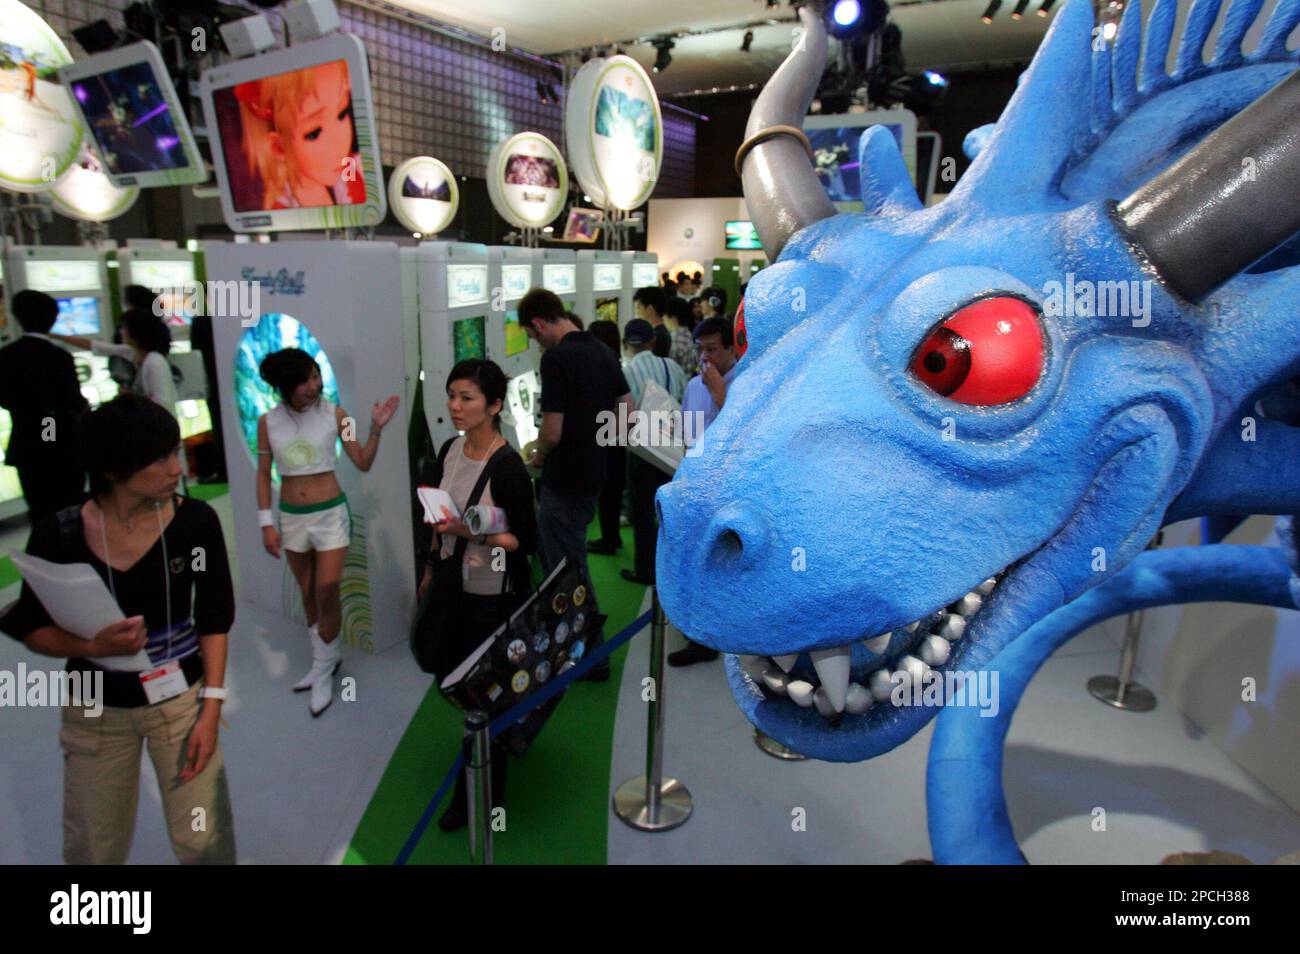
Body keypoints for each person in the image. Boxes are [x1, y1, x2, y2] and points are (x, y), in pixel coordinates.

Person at [0, 394, 236, 863]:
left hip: (181, 702)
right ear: (111, 470)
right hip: (94, 710)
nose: (176, 466)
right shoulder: (59, 534)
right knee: (93, 845)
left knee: (204, 840)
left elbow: (214, 616)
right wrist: (89, 643)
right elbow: (29, 627)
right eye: (160, 457)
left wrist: (210, 708)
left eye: (175, 450)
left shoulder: (195, 523)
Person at [418, 359, 537, 831]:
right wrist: (431, 562)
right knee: (453, 677)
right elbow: (438, 513)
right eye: (452, 395)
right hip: (452, 585)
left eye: (466, 398)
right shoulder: (450, 449)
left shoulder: (507, 467)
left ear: (493, 406)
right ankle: (489, 753)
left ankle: (480, 796)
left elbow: (522, 542)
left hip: (493, 595)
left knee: (484, 695)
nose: (455, 406)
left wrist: (470, 535)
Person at [257, 348, 399, 715]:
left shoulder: (337, 414)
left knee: (326, 586)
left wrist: (375, 429)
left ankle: (322, 669)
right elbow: (262, 473)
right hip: (290, 516)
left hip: (330, 513)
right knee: (307, 590)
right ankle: (327, 657)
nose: (314, 384)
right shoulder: (267, 422)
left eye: (316, 375)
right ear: (285, 387)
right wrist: (265, 522)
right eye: (304, 380)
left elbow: (362, 461)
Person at [516, 289, 633, 681]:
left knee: (566, 572)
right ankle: (571, 644)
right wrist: (597, 440)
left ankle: (592, 656)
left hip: (563, 479)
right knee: (569, 564)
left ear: (538, 324)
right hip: (593, 474)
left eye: (533, 337)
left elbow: (551, 430)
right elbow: (628, 408)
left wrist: (538, 456)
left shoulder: (557, 358)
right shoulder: (601, 350)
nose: (536, 343)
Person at [670, 316, 740, 666]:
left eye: (713, 349)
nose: (706, 357)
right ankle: (699, 636)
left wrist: (722, 396)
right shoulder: (694, 385)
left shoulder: (744, 383)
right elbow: (689, 434)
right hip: (697, 487)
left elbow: (746, 437)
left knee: (726, 565)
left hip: (731, 491)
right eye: (701, 350)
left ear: (732, 348)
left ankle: (730, 632)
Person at [0, 290, 89, 523]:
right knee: (71, 507)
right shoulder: (60, 357)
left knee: (40, 511)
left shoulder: (6, 356)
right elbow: (74, 402)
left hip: (28, 443)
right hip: (64, 444)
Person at [233, 60, 365, 210]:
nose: (340, 142)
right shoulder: (282, 210)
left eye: (342, 113)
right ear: (278, 147)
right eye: (314, 133)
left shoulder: (353, 168)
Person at [619, 319, 687, 585]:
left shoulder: (627, 371)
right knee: (670, 508)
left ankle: (646, 569)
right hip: (673, 448)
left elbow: (625, 413)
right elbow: (682, 400)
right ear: (653, 341)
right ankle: (673, 566)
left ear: (626, 343)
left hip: (643, 450)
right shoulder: (671, 367)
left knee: (643, 512)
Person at [48, 308, 178, 416]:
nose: (121, 332)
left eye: (124, 328)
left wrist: (131, 396)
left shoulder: (155, 361)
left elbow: (163, 403)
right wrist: (56, 336)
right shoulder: (132, 353)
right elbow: (93, 345)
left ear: (135, 333)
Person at [585, 320, 627, 556]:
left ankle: (609, 540)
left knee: (608, 492)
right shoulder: (617, 367)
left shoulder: (604, 372)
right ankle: (612, 537)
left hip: (608, 440)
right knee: (613, 490)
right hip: (620, 441)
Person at [633, 286, 673, 358]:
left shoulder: (657, 337)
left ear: (650, 309)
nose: (636, 312)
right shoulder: (662, 332)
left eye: (638, 307)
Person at [664, 296, 699, 378]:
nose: (663, 319)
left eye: (664, 316)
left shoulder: (674, 340)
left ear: (673, 318)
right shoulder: (688, 334)